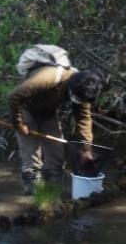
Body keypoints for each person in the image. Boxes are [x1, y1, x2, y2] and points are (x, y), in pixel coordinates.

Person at [8, 45, 102, 194]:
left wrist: (86, 150)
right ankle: (37, 199)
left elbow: (83, 120)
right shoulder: (48, 78)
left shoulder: (83, 91)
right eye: (78, 98)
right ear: (72, 87)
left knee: (56, 157)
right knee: (32, 162)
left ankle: (55, 197)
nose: (79, 101)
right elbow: (14, 96)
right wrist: (18, 124)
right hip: (27, 110)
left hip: (48, 111)